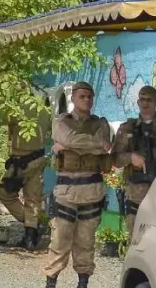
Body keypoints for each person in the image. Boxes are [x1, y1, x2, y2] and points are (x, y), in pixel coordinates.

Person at [43, 82, 112, 288]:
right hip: (66, 190)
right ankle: (51, 282)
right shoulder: (61, 121)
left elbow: (104, 144)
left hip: (92, 191)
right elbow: (70, 137)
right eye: (82, 96)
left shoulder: (101, 123)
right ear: (73, 98)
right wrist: (94, 145)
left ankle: (83, 283)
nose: (87, 99)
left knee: (86, 241)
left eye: (90, 96)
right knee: (59, 240)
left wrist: (70, 146)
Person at [111, 85, 156, 238]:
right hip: (137, 195)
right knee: (137, 239)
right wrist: (130, 158)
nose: (145, 103)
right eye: (142, 100)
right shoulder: (127, 128)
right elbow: (114, 158)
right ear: (137, 102)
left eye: (149, 100)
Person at [0, 86, 52, 250]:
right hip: (40, 157)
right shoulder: (46, 109)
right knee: (32, 199)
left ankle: (34, 227)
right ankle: (30, 236)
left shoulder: (18, 107)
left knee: (6, 194)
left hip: (21, 160)